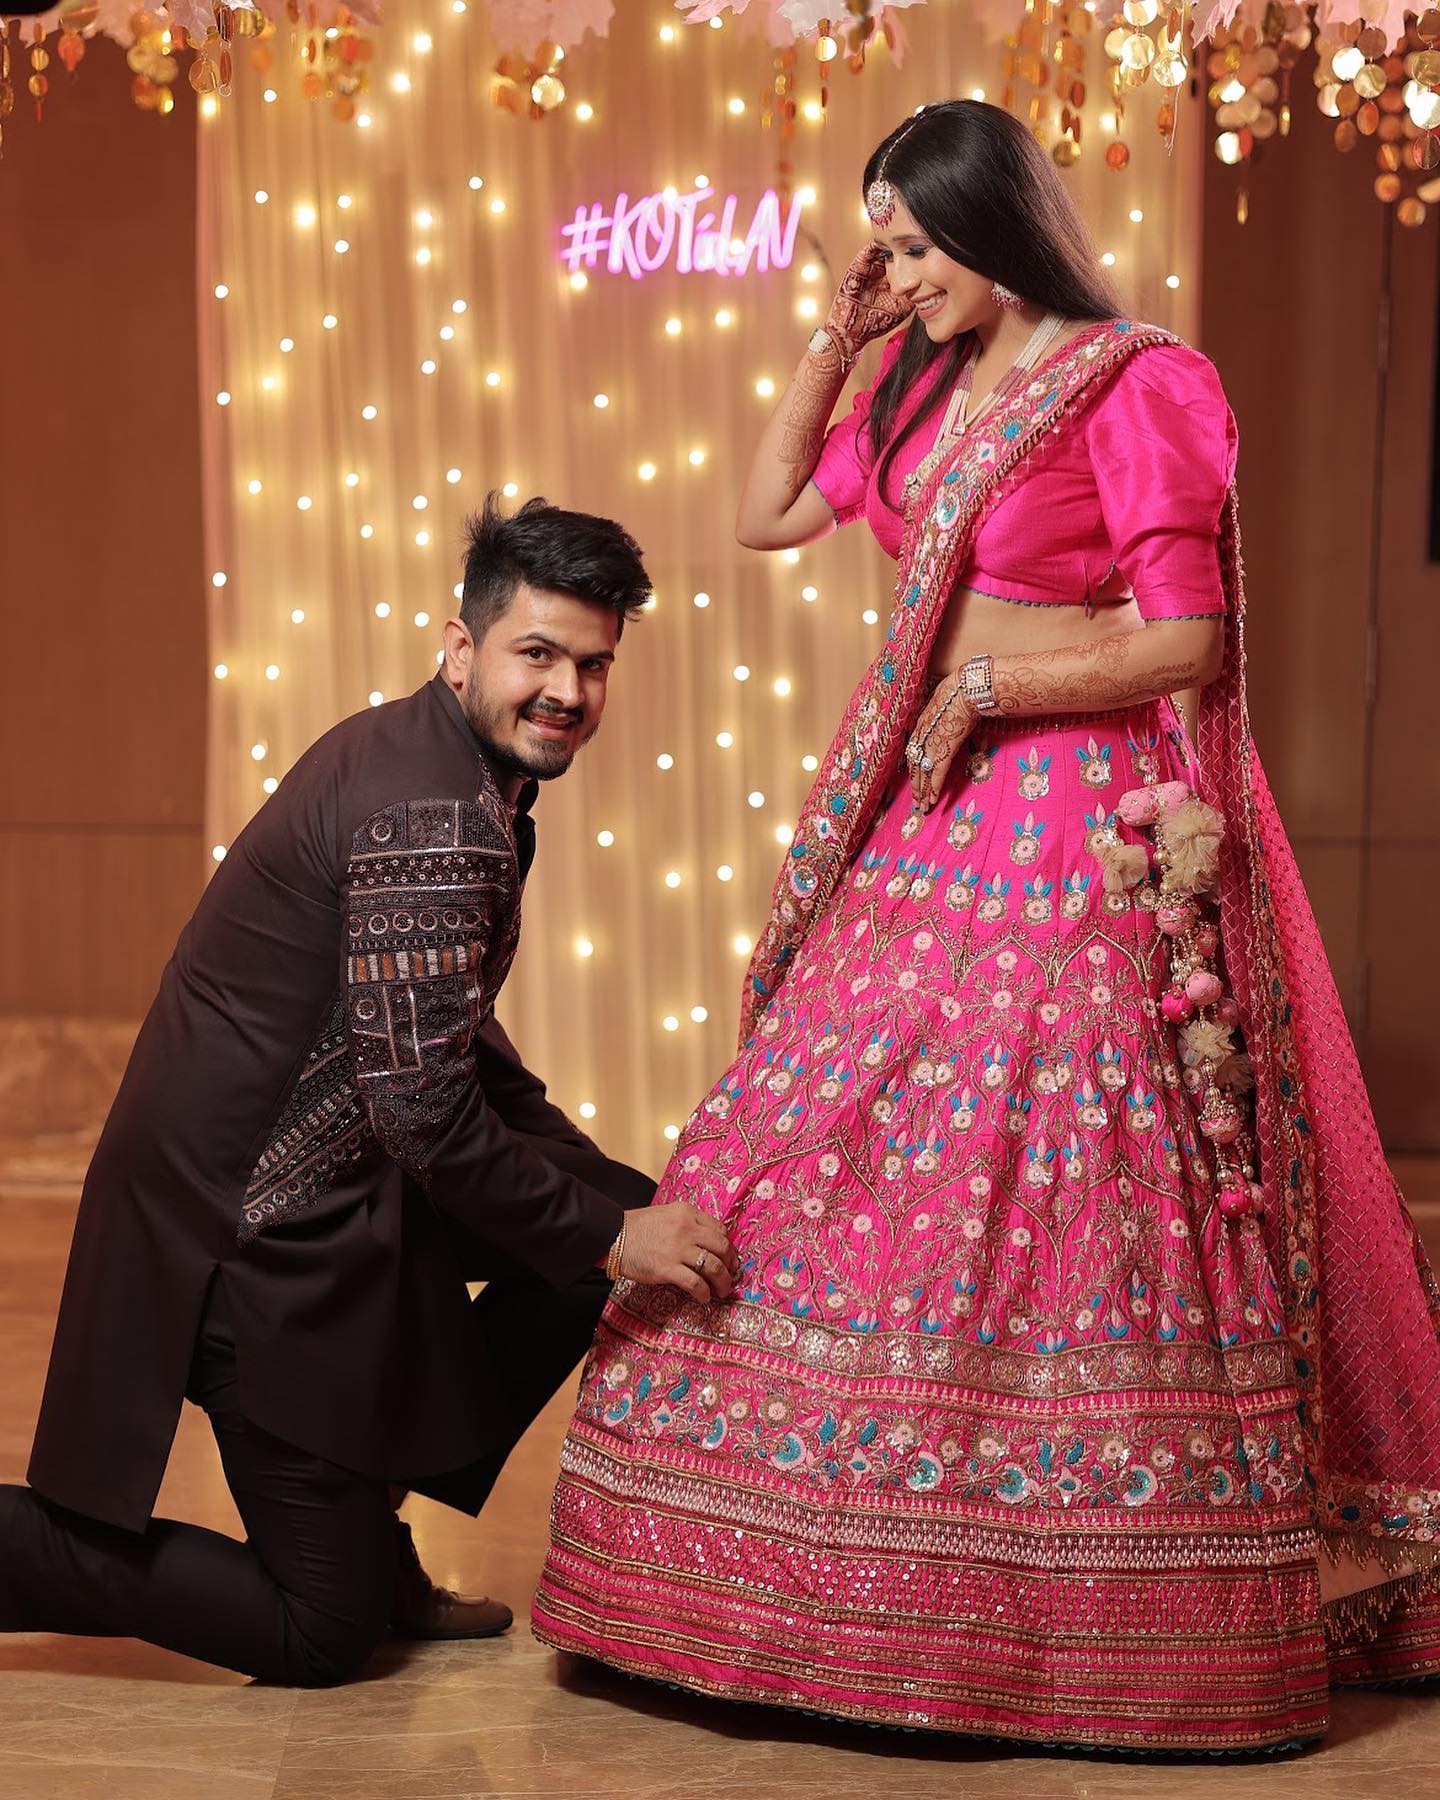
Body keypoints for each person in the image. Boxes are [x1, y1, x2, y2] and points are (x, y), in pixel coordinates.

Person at [533, 102, 1440, 1753]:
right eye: (878, 246)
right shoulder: (923, 382)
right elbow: (766, 515)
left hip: (1077, 816)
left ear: (992, 228)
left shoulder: (1141, 378)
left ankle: (1075, 1603)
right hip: (934, 815)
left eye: (913, 244)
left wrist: (997, 682)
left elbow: (1189, 641)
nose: (895, 272)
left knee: (1066, 1166)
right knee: (831, 1130)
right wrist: (840, 334)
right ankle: (765, 1577)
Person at [0, 493, 736, 1686]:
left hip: (330, 1183)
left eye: (592, 664)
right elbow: (421, 1111)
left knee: (610, 1219)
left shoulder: (441, 761)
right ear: (461, 647)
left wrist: (615, 1210)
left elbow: (442, 1046)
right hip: (245, 1236)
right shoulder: (432, 815)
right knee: (323, 1629)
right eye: (536, 654)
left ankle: (373, 1496)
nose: (568, 691)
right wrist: (611, 1237)